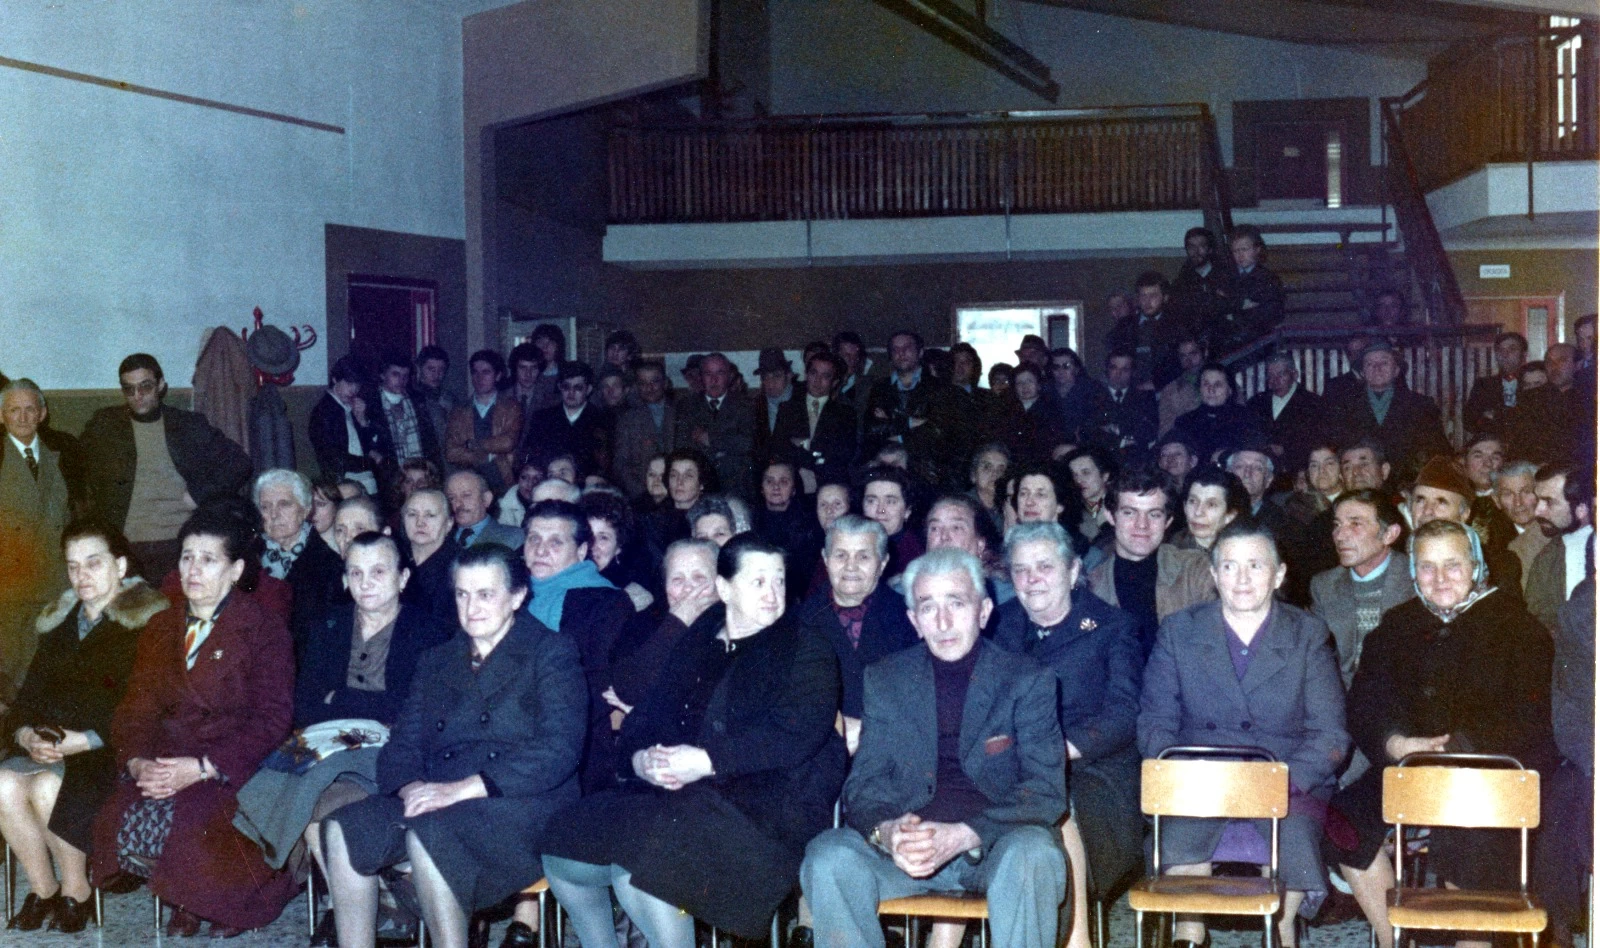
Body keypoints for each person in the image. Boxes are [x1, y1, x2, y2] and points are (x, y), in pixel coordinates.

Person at [541, 535, 846, 946]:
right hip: (683, 799)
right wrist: (641, 760)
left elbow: (794, 737)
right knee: (563, 842)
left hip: (763, 809)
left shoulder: (805, 645)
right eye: (758, 582)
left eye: (778, 580)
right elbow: (649, 712)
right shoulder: (701, 635)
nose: (773, 594)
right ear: (724, 589)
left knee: (642, 866)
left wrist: (705, 761)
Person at [322, 543, 586, 948]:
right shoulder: (437, 660)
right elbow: (402, 745)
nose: (472, 607)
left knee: (432, 832)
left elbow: (558, 751)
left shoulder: (550, 652)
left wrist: (458, 790)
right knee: (344, 827)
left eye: (486, 594)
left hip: (521, 802)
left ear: (517, 596)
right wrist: (411, 789)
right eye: (462, 594)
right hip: (439, 795)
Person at [801, 548, 1068, 948]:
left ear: (983, 611)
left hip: (995, 851)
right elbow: (863, 788)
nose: (942, 621)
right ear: (914, 621)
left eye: (956, 603)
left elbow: (1046, 791)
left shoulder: (1026, 680)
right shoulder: (887, 680)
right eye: (928, 607)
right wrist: (888, 833)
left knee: (1035, 853)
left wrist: (963, 835)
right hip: (905, 856)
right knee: (828, 855)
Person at [1331, 519, 1555, 948]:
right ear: (1413, 572)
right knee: (1342, 819)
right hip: (1408, 766)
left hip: (1488, 770)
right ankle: (1398, 940)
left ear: (1476, 565)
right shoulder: (1396, 626)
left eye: (1452, 565)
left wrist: (1460, 749)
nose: (1439, 579)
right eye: (1427, 567)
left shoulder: (1517, 627)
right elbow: (1366, 700)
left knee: (1469, 835)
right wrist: (1394, 742)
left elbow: (1533, 713)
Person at [234, 533, 452, 945]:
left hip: (394, 746)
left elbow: (413, 711)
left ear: (403, 578)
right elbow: (306, 705)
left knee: (322, 801)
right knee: (270, 780)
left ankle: (348, 908)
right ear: (346, 580)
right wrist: (364, 703)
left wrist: (343, 698)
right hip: (323, 740)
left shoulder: (431, 632)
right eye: (356, 572)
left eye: (378, 571)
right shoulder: (327, 625)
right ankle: (378, 900)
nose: (366, 582)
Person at [90, 508, 299, 937]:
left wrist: (203, 767)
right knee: (116, 817)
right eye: (186, 557)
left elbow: (271, 720)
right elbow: (135, 707)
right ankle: (180, 893)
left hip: (233, 764)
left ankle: (225, 900)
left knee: (190, 826)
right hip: (166, 762)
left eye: (208, 559)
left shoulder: (263, 628)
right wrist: (136, 763)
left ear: (236, 569)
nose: (193, 569)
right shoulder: (161, 626)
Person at [1138, 520, 1348, 948]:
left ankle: (1282, 931)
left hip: (1284, 780)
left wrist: (1278, 783)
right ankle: (1189, 931)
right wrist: (1187, 776)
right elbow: (1154, 721)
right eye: (1230, 567)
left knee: (1293, 834)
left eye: (1255, 565)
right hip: (1200, 776)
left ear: (1280, 574)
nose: (1242, 578)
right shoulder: (1180, 631)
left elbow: (1330, 734)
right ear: (1214, 576)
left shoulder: (1308, 634)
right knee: (1178, 831)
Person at [1, 522, 164, 933]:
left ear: (120, 564)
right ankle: (44, 889)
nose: (82, 576)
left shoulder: (147, 623)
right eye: (73, 567)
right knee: (2, 782)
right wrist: (25, 735)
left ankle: (77, 892)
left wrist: (87, 740)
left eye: (94, 564)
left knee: (44, 787)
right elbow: (27, 699)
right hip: (54, 744)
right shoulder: (58, 622)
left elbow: (148, 705)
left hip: (111, 748)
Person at [996, 522, 1143, 946]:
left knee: (1055, 809)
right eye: (1021, 570)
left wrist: (1057, 750)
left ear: (1073, 571)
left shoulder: (1112, 627)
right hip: (1014, 767)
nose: (1032, 579)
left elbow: (1125, 713)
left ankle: (1078, 939)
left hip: (1095, 774)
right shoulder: (1000, 626)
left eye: (1045, 566)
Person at [81, 354, 252, 582]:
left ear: (161, 385)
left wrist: (200, 493)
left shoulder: (188, 425)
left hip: (179, 544)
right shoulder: (106, 425)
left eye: (145, 387)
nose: (137, 396)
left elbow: (239, 463)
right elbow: (74, 464)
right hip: (126, 546)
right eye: (129, 389)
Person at [521, 500, 634, 795]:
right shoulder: (508, 592)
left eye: (556, 542)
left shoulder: (607, 603)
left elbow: (596, 684)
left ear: (582, 551)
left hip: (569, 743)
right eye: (534, 539)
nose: (541, 550)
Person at [797, 515, 917, 756]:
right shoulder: (799, 621)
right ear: (825, 559)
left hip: (891, 752)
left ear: (882, 563)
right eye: (841, 555)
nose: (850, 566)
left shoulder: (909, 619)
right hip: (819, 756)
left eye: (863, 556)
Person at [1083, 467, 1216, 658]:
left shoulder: (1196, 570)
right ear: (1111, 516)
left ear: (1168, 521)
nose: (1142, 525)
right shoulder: (1092, 586)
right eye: (1129, 513)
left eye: (1154, 514)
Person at [0, 380, 72, 698]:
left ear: (42, 413)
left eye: (30, 409)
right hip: (10, 587)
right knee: (10, 675)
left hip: (55, 583)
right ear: (2, 416)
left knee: (47, 673)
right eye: (14, 410)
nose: (22, 417)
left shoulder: (64, 453)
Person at [1535, 558, 1593, 948]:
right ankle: (1561, 933)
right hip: (1590, 753)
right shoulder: (1582, 611)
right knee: (1561, 802)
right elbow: (1568, 706)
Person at [1309, 489, 1413, 687]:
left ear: (1389, 534)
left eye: (1355, 524)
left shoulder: (1415, 580)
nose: (1339, 535)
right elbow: (1318, 663)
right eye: (1337, 525)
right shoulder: (1324, 586)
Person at [606, 539, 721, 716]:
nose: (688, 589)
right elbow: (627, 689)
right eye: (677, 580)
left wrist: (646, 711)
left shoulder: (735, 627)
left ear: (721, 584)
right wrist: (677, 622)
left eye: (699, 579)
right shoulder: (644, 623)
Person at [253, 469, 345, 663]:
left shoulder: (329, 565)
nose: (274, 515)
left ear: (305, 509)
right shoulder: (249, 559)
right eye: (265, 507)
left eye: (284, 504)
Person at [1325, 339, 1449, 478]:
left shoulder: (1421, 405)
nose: (1377, 368)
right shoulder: (1343, 406)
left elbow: (1438, 451)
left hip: (1407, 485)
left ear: (1396, 370)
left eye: (1384, 362)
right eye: (1370, 363)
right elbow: (1336, 448)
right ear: (1363, 372)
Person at [864, 331, 965, 488]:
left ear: (920, 352)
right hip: (889, 472)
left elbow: (939, 432)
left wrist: (897, 433)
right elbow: (873, 429)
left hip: (929, 475)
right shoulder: (879, 388)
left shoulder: (940, 388)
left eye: (907, 347)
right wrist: (912, 422)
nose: (901, 353)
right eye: (895, 349)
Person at [1407, 456, 1523, 594]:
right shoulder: (1398, 563)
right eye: (1420, 500)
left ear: (1464, 514)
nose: (1427, 511)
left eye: (1441, 502)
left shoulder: (1498, 568)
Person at [674, 353, 756, 500]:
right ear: (701, 377)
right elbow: (683, 446)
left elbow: (748, 443)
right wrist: (729, 441)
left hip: (736, 486)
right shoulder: (686, 407)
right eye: (708, 373)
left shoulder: (746, 406)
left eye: (720, 373)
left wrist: (710, 439)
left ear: (729, 376)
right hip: (699, 487)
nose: (714, 379)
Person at [774, 351, 859, 489]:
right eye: (813, 373)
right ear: (806, 375)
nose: (817, 380)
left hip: (828, 482)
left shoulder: (845, 414)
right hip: (793, 483)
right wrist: (816, 454)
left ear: (834, 382)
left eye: (825, 376)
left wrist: (803, 445)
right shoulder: (787, 409)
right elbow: (780, 448)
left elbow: (842, 455)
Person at [1525, 463, 1595, 631]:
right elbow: (1539, 625)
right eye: (1538, 500)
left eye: (1549, 502)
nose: (1537, 511)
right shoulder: (1547, 560)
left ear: (1582, 509)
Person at [445, 349, 524, 494]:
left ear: (498, 375)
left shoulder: (511, 407)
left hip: (503, 482)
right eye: (475, 372)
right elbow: (451, 452)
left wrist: (472, 445)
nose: (479, 378)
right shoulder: (458, 411)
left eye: (486, 372)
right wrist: (487, 455)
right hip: (469, 485)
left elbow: (508, 442)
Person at [520, 361, 611, 481]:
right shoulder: (542, 418)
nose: (571, 393)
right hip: (547, 482)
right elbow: (529, 454)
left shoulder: (602, 419)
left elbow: (604, 463)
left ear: (588, 389)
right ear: (559, 387)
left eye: (578, 388)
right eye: (566, 387)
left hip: (585, 486)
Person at [309, 356, 384, 495]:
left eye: (358, 385)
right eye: (349, 383)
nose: (354, 390)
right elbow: (335, 458)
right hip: (344, 485)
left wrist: (362, 421)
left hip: (365, 482)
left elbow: (369, 446)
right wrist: (371, 462)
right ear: (335, 379)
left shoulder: (350, 407)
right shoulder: (324, 412)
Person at [1105, 271, 1190, 389]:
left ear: (1165, 298)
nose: (1147, 301)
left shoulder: (1178, 327)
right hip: (1131, 394)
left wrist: (1156, 383)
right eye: (1143, 296)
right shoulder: (1123, 328)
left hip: (1167, 393)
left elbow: (1183, 364)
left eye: (1153, 295)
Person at [1170, 363, 1263, 465]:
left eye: (1217, 385)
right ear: (1200, 389)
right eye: (1206, 384)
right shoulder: (1184, 422)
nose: (1211, 390)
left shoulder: (1246, 417)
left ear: (1229, 390)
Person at [1213, 225, 1285, 352]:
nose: (1240, 255)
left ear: (1257, 249)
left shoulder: (1268, 279)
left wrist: (1233, 314)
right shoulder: (1224, 277)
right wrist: (1241, 304)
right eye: (1235, 251)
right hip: (1228, 341)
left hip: (1257, 342)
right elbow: (1216, 306)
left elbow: (1269, 313)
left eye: (1244, 249)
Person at [612, 360, 677, 501]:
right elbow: (621, 464)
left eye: (655, 382)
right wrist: (643, 493)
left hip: (678, 492)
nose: (649, 388)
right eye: (643, 383)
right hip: (642, 494)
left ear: (665, 383)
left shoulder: (681, 413)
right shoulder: (627, 419)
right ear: (637, 386)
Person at [1245, 353, 1322, 469]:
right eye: (1270, 376)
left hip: (1298, 471)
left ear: (1295, 375)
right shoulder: (1256, 402)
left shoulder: (1313, 403)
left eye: (1281, 374)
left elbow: (1318, 442)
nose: (1275, 381)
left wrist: (1285, 449)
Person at [372, 351, 443, 472]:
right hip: (389, 474)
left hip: (420, 472)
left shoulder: (417, 400)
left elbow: (430, 441)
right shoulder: (371, 404)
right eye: (395, 374)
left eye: (405, 376)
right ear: (383, 375)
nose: (401, 380)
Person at [398, 488, 460, 623]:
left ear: (449, 523)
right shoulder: (394, 559)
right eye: (412, 514)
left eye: (430, 515)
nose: (420, 523)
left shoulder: (460, 567)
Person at [1086, 350, 1158, 456]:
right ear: (1107, 370)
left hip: (1135, 458)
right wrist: (1126, 436)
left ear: (1132, 372)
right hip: (1102, 457)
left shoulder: (1145, 397)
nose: (1118, 374)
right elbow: (1089, 432)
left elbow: (1149, 431)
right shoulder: (1092, 397)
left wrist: (1116, 429)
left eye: (1125, 369)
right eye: (1113, 368)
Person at [1494, 459, 1550, 585]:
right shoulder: (1494, 544)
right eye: (1508, 494)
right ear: (1496, 500)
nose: (1518, 502)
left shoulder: (1558, 531)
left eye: (1526, 492)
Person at [862, 465, 924, 580]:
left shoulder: (915, 559)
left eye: (890, 502)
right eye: (871, 501)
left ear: (907, 511)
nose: (880, 510)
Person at [1463, 332, 1527, 439]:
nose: (1505, 355)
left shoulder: (1531, 383)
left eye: (1512, 349)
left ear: (1523, 354)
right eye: (1500, 350)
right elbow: (1469, 421)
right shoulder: (1484, 385)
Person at [1171, 467, 1248, 552]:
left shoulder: (1244, 552)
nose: (1198, 512)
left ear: (1230, 516)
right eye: (1193, 501)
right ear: (1184, 506)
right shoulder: (1168, 552)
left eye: (1211, 504)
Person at [444, 470, 524, 550]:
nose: (457, 504)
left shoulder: (513, 538)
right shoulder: (441, 538)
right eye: (452, 498)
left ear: (486, 499)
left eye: (466, 495)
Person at [1170, 228, 1224, 326]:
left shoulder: (1224, 274)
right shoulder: (1182, 279)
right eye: (1191, 247)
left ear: (1210, 249)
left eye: (1201, 246)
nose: (1196, 251)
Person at [413, 346, 460, 455]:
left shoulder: (450, 399)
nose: (436, 375)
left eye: (441, 370)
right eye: (431, 369)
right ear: (420, 368)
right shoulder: (412, 399)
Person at [1156, 337, 1206, 437]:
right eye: (1183, 356)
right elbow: (1165, 430)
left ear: (1204, 352)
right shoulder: (1170, 391)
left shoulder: (1222, 379)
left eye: (1193, 353)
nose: (1189, 360)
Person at [969, 443, 1011, 537]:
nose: (995, 474)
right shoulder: (961, 505)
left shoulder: (1010, 508)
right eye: (987, 467)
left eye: (1001, 470)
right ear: (973, 475)